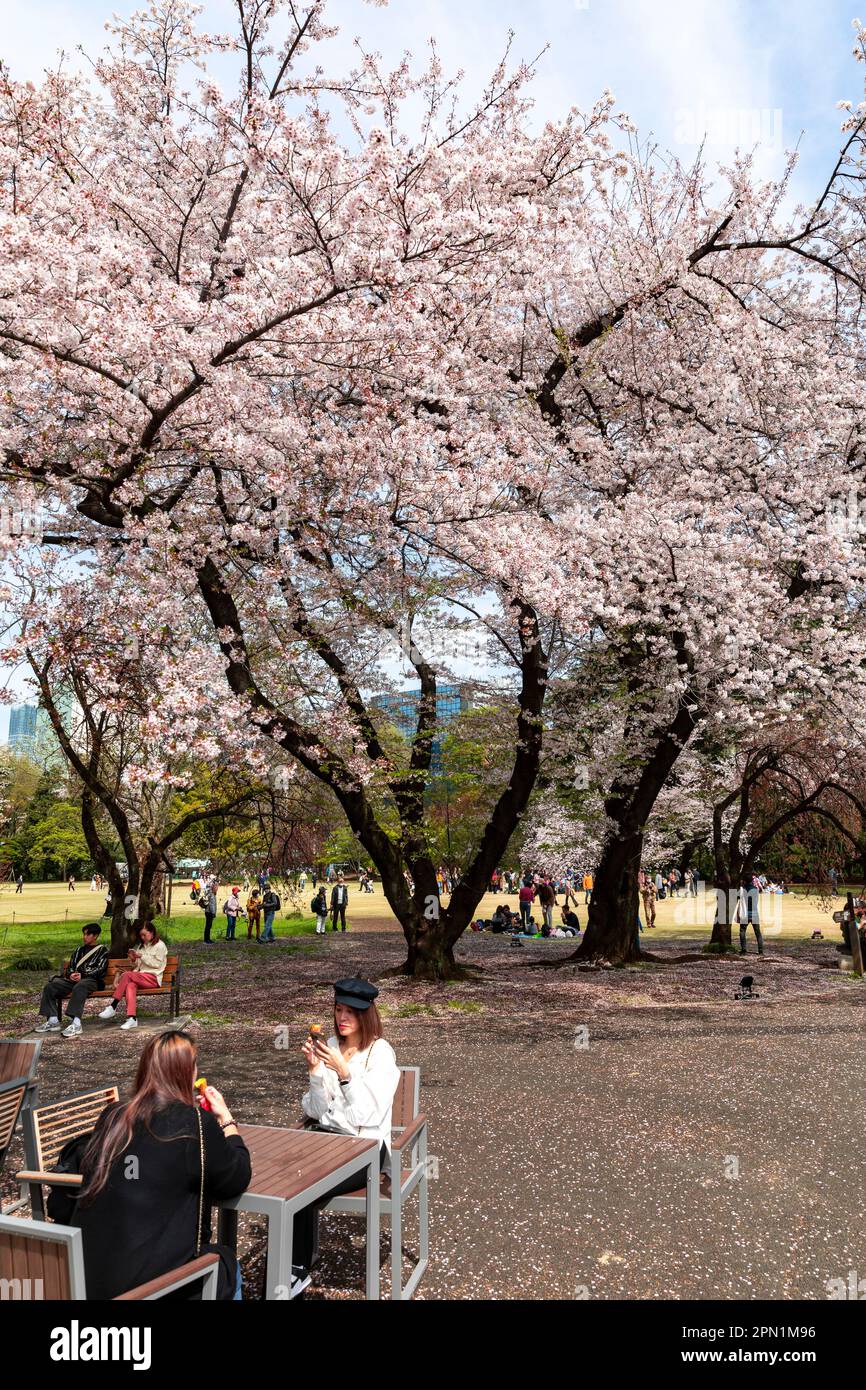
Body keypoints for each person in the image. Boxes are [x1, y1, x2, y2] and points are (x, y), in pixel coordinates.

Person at [47, 1030, 250, 1300]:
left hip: (90, 1278)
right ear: (186, 1072)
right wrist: (226, 1120)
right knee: (228, 1263)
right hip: (156, 1289)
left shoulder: (114, 1116)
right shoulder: (196, 1123)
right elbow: (236, 1177)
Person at [296, 978, 399, 1287]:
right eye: (338, 1010)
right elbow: (315, 1111)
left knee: (299, 1187)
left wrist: (344, 1074)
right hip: (328, 1141)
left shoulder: (380, 1053)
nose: (342, 1018)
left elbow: (366, 1114)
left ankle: (293, 1270)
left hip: (365, 1150)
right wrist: (315, 1073)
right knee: (291, 1179)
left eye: (351, 1012)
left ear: (365, 1015)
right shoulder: (329, 1046)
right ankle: (292, 1271)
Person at [35, 923, 109, 1037]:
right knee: (50, 986)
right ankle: (53, 1020)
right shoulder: (79, 950)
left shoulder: (102, 950)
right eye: (84, 934)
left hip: (92, 981)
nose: (84, 937)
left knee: (80, 987)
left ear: (95, 936)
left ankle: (76, 1023)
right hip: (74, 981)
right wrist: (71, 975)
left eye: (88, 934)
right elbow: (71, 966)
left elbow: (100, 969)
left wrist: (82, 975)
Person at [98, 922, 168, 1030]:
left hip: (153, 978)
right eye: (141, 935)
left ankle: (113, 1006)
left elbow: (157, 964)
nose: (143, 937)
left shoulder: (160, 945)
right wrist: (134, 959)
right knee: (130, 985)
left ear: (152, 932)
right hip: (140, 977)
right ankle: (132, 1018)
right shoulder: (141, 947)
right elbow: (138, 966)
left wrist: (141, 956)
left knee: (127, 975)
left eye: (145, 934)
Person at [736, 876, 764, 956]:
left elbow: (737, 898)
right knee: (758, 933)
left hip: (745, 914)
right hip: (754, 913)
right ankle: (760, 950)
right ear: (752, 881)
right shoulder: (755, 889)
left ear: (744, 881)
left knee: (742, 931)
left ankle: (744, 950)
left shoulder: (742, 890)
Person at [200, 879, 217, 943]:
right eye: (216, 887)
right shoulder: (211, 894)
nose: (217, 888)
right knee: (208, 926)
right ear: (213, 887)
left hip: (209, 912)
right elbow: (211, 905)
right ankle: (206, 940)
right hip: (209, 912)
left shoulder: (212, 894)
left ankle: (208, 939)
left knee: (209, 926)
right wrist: (213, 913)